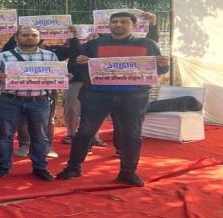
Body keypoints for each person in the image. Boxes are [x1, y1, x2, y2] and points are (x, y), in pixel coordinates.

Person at [56, 12, 170, 186]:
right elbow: (79, 70)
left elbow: (159, 71)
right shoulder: (93, 44)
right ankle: (73, 167)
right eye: (114, 21)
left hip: (134, 96)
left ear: (133, 25)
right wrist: (79, 62)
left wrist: (163, 65)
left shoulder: (147, 44)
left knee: (132, 135)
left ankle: (128, 172)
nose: (118, 25)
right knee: (85, 132)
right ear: (109, 25)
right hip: (97, 95)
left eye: (124, 22)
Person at [0, 27, 58, 181]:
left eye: (34, 35)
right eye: (25, 35)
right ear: (16, 37)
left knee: (40, 136)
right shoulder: (3, 56)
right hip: (11, 100)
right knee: (5, 135)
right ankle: (3, 166)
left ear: (39, 38)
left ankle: (40, 167)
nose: (29, 38)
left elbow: (56, 78)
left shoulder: (50, 56)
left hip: (39, 101)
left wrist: (65, 77)